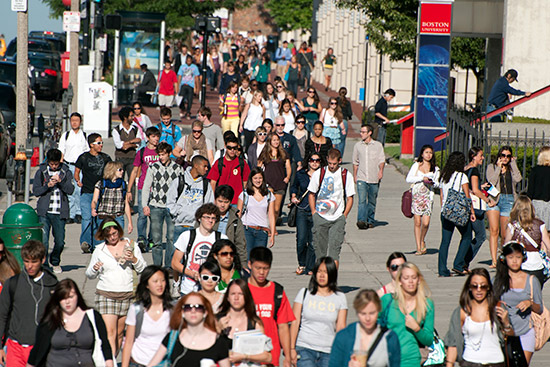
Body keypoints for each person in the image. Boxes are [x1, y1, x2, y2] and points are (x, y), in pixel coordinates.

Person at [85, 218, 147, 356]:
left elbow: (144, 268)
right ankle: (110, 363)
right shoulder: (100, 250)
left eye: (115, 233)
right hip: (106, 294)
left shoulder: (131, 245)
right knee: (109, 333)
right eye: (109, 235)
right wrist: (95, 269)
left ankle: (112, 359)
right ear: (103, 236)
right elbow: (89, 274)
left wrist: (134, 260)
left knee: (119, 334)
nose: (113, 237)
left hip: (127, 295)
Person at [27, 279, 114, 367]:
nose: (67, 302)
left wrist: (109, 362)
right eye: (63, 298)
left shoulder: (92, 316)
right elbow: (37, 349)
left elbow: (105, 344)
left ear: (77, 296)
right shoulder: (50, 319)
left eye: (71, 297)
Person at [0, 240, 58, 367]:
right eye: (26, 261)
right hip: (16, 348)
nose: (29, 266)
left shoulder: (52, 285)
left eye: (34, 261)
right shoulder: (13, 284)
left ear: (42, 260)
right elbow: (2, 315)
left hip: (42, 348)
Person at [444, 268, 513, 367]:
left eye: (483, 286)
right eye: (474, 286)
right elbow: (453, 343)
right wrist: (449, 364)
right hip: (470, 362)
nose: (479, 290)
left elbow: (511, 338)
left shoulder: (498, 308)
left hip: (496, 363)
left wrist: (506, 323)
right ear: (469, 288)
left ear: (489, 287)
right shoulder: (462, 312)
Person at [290, 257, 348, 367]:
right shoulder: (304, 294)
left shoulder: (340, 297)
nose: (322, 275)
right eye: (319, 271)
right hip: (304, 348)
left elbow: (341, 327)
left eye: (325, 272)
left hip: (329, 351)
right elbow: (295, 323)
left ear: (332, 274)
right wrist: (292, 349)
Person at [146, 293, 231, 367]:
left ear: (205, 313)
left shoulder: (219, 342)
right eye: (188, 307)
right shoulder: (172, 338)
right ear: (182, 312)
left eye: (198, 307)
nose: (193, 310)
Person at [494, 241, 543, 364]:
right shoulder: (497, 280)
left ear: (523, 258)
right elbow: (489, 303)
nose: (514, 261)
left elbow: (540, 308)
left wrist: (530, 303)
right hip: (502, 332)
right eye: (511, 257)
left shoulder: (531, 280)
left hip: (525, 331)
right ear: (504, 259)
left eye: (518, 257)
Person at [378, 262, 434, 367]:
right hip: (386, 359)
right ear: (399, 281)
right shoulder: (387, 300)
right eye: (406, 278)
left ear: (419, 280)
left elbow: (429, 340)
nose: (411, 281)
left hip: (411, 360)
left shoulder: (427, 304)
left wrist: (417, 329)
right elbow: (370, 324)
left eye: (414, 277)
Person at [248, 247, 295, 367]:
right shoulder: (240, 290)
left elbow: (283, 327)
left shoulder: (277, 291)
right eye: (257, 268)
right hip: (246, 355)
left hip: (271, 356)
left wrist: (288, 357)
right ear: (250, 265)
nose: (261, 272)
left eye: (265, 268)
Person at [308, 149, 355, 266]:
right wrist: (314, 212)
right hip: (320, 216)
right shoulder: (319, 173)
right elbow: (311, 194)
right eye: (330, 163)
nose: (332, 166)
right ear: (327, 160)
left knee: (334, 253)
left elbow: (350, 198)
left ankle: (333, 282)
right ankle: (321, 282)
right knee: (320, 255)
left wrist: (344, 216)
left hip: (337, 218)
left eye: (334, 164)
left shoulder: (345, 175)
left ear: (340, 161)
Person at [330, 290, 400, 367]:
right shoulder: (344, 337)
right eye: (363, 313)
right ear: (357, 312)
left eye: (372, 313)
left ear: (378, 310)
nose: (367, 318)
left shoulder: (389, 337)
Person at [32, 148, 74, 273]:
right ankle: (44, 265)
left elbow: (70, 190)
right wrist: (47, 186)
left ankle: (55, 261)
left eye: (56, 164)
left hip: (60, 211)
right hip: (45, 211)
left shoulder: (65, 172)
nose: (54, 167)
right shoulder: (41, 171)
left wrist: (60, 182)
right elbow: (36, 191)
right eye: (52, 164)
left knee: (60, 241)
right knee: (44, 241)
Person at [143, 143, 184, 267]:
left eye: (163, 154)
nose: (161, 157)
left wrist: (180, 206)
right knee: (156, 240)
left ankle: (168, 266)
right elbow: (146, 187)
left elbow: (182, 188)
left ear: (169, 154)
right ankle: (157, 266)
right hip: (155, 206)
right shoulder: (153, 167)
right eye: (159, 154)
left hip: (172, 207)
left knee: (171, 239)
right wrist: (145, 204)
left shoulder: (178, 169)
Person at [122, 265, 172, 367]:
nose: (160, 285)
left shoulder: (173, 309)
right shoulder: (136, 309)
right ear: (146, 285)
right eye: (155, 281)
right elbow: (128, 342)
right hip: (140, 362)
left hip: (164, 362)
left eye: (163, 280)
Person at [171, 204, 227, 295]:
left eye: (213, 218)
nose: (210, 220)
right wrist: (192, 274)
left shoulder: (222, 238)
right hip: (189, 289)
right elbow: (174, 263)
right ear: (199, 218)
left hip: (214, 290)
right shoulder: (187, 236)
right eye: (207, 217)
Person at [217, 279, 273, 366]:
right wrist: (217, 330)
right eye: (233, 294)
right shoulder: (217, 320)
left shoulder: (255, 323)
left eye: (240, 294)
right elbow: (203, 348)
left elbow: (268, 357)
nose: (236, 298)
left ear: (246, 297)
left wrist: (245, 356)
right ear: (227, 297)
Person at [438, 151, 476, 277]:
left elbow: (442, 195)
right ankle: (458, 264)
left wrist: (443, 208)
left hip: (446, 211)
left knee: (445, 241)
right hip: (459, 212)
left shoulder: (444, 175)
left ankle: (442, 269)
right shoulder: (462, 177)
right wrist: (471, 211)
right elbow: (467, 196)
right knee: (466, 237)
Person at [75, 133, 112, 253]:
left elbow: (111, 172)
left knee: (99, 219)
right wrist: (77, 180)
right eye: (99, 143)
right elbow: (77, 171)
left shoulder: (105, 158)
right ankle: (86, 243)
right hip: (87, 192)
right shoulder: (83, 157)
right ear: (91, 145)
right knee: (87, 218)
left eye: (102, 143)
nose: (101, 145)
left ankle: (98, 242)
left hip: (102, 193)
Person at [486, 146, 522, 267]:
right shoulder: (491, 167)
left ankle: (503, 255)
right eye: (503, 155)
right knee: (494, 231)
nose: (505, 158)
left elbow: (518, 179)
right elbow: (491, 181)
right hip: (495, 200)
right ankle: (494, 260)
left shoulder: (512, 169)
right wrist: (498, 168)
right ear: (499, 156)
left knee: (505, 233)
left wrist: (514, 164)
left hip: (509, 200)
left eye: (508, 156)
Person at [505, 195, 550, 288]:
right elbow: (548, 246)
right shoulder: (541, 225)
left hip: (519, 266)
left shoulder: (512, 226)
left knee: (520, 296)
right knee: (535, 297)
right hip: (537, 266)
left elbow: (506, 247)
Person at [127, 126, 161, 252]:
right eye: (153, 136)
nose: (156, 139)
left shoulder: (160, 152)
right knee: (142, 215)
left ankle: (151, 239)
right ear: (148, 138)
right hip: (143, 187)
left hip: (158, 188)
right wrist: (129, 189)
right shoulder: (141, 152)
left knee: (154, 215)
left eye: (157, 136)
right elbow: (135, 170)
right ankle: (141, 238)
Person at [168, 155, 214, 241]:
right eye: (204, 166)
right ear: (196, 165)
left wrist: (200, 218)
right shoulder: (179, 181)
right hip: (179, 225)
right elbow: (170, 202)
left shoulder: (206, 184)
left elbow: (209, 205)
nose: (207, 169)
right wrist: (179, 213)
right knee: (175, 253)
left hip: (196, 227)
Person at [463, 147, 495, 268]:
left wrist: (480, 186)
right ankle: (464, 262)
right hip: (475, 208)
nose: (482, 158)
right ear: (473, 156)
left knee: (467, 236)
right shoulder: (475, 170)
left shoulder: (465, 169)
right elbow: (475, 191)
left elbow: (470, 186)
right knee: (481, 235)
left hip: (465, 205)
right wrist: (488, 200)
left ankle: (462, 262)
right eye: (480, 155)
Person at [405, 145, 440, 254]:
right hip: (417, 196)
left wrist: (432, 182)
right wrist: (422, 178)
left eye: (430, 152)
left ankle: (422, 239)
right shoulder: (416, 165)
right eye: (426, 152)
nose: (428, 155)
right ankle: (418, 247)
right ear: (422, 154)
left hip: (427, 198)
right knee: (417, 222)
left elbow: (438, 184)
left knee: (425, 223)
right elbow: (408, 179)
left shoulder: (435, 168)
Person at [290, 152, 320, 275]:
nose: (314, 162)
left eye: (317, 160)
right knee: (301, 240)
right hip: (302, 209)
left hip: (316, 210)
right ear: (308, 161)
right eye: (312, 159)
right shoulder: (300, 174)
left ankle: (310, 267)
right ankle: (301, 263)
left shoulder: (323, 175)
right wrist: (293, 196)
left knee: (313, 241)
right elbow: (293, 186)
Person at [353, 124, 385, 230]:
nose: (361, 134)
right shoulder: (358, 146)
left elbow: (381, 160)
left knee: (371, 201)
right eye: (361, 132)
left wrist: (381, 171)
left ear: (369, 133)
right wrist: (355, 175)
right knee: (362, 200)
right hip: (362, 177)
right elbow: (355, 162)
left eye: (363, 132)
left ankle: (370, 220)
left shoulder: (377, 145)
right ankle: (361, 220)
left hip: (374, 177)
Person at [237, 168, 277, 256]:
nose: (258, 181)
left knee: (259, 259)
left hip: (262, 231)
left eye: (260, 178)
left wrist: (273, 233)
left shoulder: (269, 195)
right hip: (247, 230)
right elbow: (238, 214)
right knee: (247, 258)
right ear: (251, 179)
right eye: (255, 178)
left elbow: (271, 215)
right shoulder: (244, 194)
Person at [58, 112, 88, 224]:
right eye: (72, 120)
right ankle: (70, 214)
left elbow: (87, 151)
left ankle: (79, 213)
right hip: (68, 165)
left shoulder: (84, 135)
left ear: (80, 122)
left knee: (79, 189)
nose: (74, 122)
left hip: (80, 167)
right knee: (69, 190)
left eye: (77, 120)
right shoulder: (65, 135)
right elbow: (61, 150)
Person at [207, 135, 251, 204]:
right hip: (221, 201)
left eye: (235, 148)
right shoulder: (219, 162)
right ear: (225, 147)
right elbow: (213, 183)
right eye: (229, 148)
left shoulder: (242, 163)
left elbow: (245, 183)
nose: (232, 150)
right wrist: (214, 200)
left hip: (237, 202)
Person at [258, 134, 291, 224]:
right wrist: (259, 179)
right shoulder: (265, 153)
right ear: (270, 141)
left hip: (280, 183)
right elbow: (258, 166)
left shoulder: (283, 153)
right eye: (274, 140)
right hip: (268, 182)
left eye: (277, 140)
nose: (276, 142)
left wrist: (287, 177)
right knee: (269, 207)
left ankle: (273, 226)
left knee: (276, 210)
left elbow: (288, 166)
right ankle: (267, 226)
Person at [91, 161, 133, 233]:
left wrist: (130, 222)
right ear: (112, 170)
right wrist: (93, 208)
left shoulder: (123, 184)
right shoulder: (101, 184)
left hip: (118, 217)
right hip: (103, 217)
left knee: (117, 240)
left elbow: (126, 204)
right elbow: (94, 200)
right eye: (120, 170)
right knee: (103, 241)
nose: (122, 171)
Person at [113, 107, 141, 206]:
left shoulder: (135, 128)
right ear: (125, 117)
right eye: (131, 115)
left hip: (132, 158)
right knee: (118, 180)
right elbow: (120, 146)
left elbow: (139, 141)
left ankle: (130, 204)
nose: (133, 117)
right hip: (120, 158)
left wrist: (129, 143)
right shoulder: (117, 130)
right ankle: (119, 202)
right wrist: (132, 144)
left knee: (131, 182)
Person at [213, 187, 247, 267]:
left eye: (226, 202)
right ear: (215, 200)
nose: (222, 205)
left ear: (230, 202)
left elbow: (240, 245)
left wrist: (243, 265)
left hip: (228, 258)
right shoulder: (208, 216)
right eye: (220, 201)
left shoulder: (235, 220)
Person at [527, 146, 550, 231]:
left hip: (536, 203)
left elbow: (530, 190)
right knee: (547, 231)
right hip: (548, 203)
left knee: (535, 229)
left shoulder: (535, 170)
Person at [177, 55, 200, 120]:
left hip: (191, 85)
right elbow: (179, 76)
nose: (189, 62)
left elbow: (196, 77)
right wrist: (178, 86)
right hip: (183, 84)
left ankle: (188, 112)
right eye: (187, 60)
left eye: (190, 61)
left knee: (190, 99)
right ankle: (182, 108)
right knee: (181, 98)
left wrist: (196, 87)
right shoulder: (182, 67)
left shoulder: (194, 67)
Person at [336, 87, 352, 154]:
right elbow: (350, 113)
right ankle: (340, 156)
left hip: (336, 121)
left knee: (335, 139)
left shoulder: (336, 101)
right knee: (342, 140)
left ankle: (335, 155)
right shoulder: (347, 102)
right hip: (344, 121)